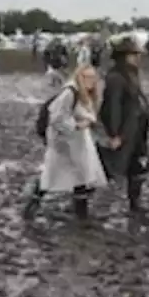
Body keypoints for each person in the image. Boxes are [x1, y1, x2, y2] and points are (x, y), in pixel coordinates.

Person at [23, 64, 108, 222]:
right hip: (64, 142)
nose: (90, 81)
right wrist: (77, 125)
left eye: (92, 78)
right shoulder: (70, 92)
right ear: (78, 76)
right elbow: (56, 117)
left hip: (77, 140)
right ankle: (33, 204)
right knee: (54, 174)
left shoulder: (85, 93)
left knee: (82, 174)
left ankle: (81, 213)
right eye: (86, 77)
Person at [98, 36, 149, 215]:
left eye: (138, 54)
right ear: (123, 56)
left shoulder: (131, 74)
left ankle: (135, 204)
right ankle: (79, 203)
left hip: (137, 129)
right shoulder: (116, 77)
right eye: (133, 54)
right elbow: (111, 107)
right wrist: (114, 133)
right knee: (105, 168)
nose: (138, 58)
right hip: (123, 132)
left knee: (138, 167)